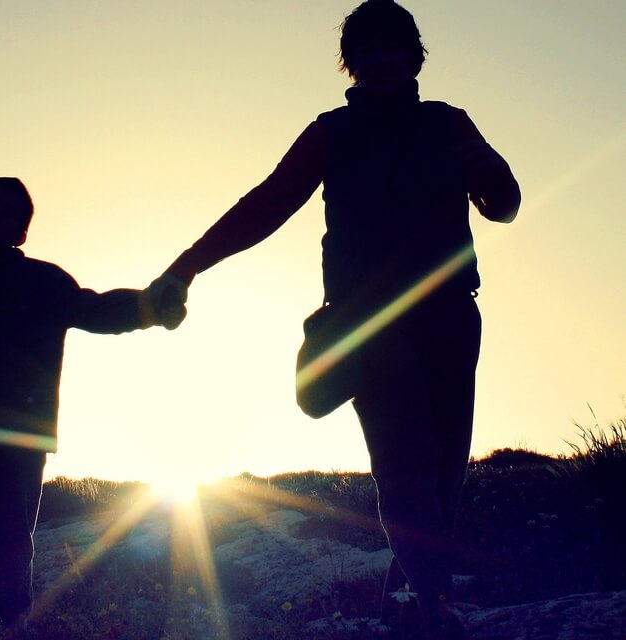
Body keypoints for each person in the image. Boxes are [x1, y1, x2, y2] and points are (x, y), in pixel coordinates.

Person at [149, 1, 520, 638]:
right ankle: (431, 600)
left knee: (443, 469)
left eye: (391, 46)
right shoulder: (330, 132)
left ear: (414, 56)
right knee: (406, 460)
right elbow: (266, 204)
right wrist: (185, 268)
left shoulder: (448, 122)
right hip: (367, 325)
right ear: (351, 63)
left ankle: (408, 600)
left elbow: (504, 205)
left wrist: (493, 176)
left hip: (451, 318)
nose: (380, 58)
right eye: (366, 49)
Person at [0, 177, 179, 633]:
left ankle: (13, 623)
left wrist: (151, 306)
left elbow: (97, 311)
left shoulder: (43, 283)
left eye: (8, 214)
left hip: (22, 435)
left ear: (21, 233)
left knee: (12, 533)